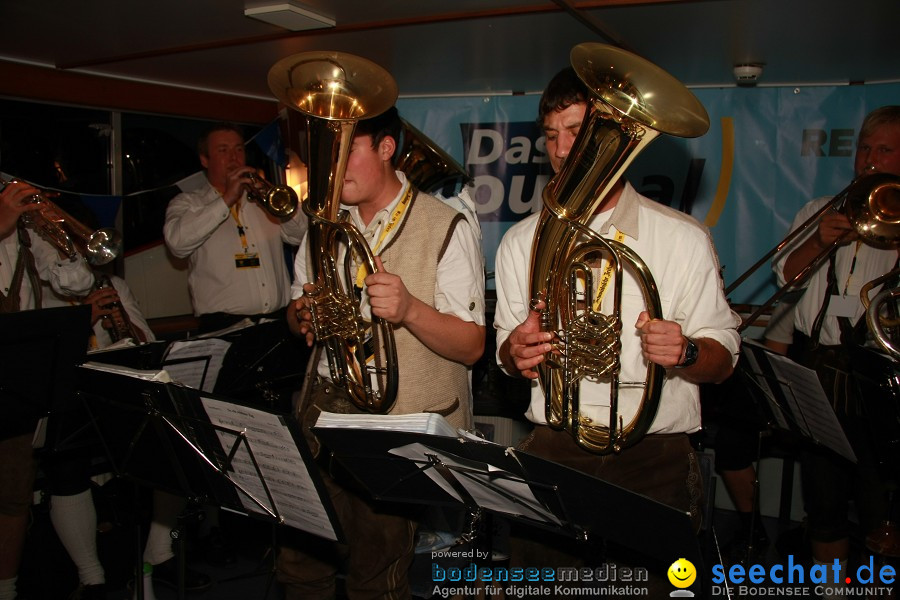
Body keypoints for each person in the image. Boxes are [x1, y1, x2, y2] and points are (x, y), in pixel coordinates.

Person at [493, 67, 741, 594]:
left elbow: (724, 360)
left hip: (654, 456)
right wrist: (514, 353)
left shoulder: (682, 237)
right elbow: (503, 352)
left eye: (577, 131)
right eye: (551, 134)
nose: (561, 149)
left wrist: (688, 350)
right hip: (556, 446)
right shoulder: (519, 241)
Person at [276, 106, 486, 599]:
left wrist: (411, 309)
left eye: (348, 152)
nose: (333, 168)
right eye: (327, 155)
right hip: (323, 409)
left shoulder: (447, 226)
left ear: (387, 149)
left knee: (376, 574)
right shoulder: (322, 224)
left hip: (398, 418)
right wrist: (300, 314)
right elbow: (294, 307)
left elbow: (473, 346)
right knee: (301, 562)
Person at [773, 105, 900, 588]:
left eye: (883, 149)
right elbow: (784, 280)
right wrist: (817, 243)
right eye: (864, 149)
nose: (868, 159)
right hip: (821, 367)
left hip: (881, 375)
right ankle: (830, 592)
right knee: (823, 498)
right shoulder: (820, 210)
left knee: (881, 505)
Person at [0, 179, 95, 600]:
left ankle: (7, 590)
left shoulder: (20, 225)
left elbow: (76, 284)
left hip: (12, 372)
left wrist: (60, 236)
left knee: (13, 491)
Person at [163, 121, 308, 333]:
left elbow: (299, 236)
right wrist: (226, 199)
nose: (234, 157)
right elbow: (176, 244)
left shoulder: (262, 199)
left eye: (239, 149)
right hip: (223, 327)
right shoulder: (188, 203)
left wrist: (276, 204)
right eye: (223, 150)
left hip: (277, 323)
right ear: (204, 160)